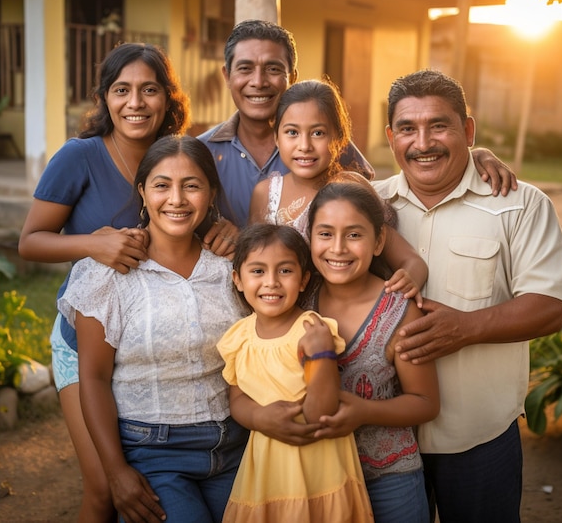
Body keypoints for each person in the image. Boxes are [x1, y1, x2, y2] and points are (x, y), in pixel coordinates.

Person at [17, 43, 237, 522]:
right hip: (86, 336)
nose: (135, 102)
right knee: (103, 485)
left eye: (149, 90)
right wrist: (92, 245)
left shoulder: (178, 159)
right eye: (122, 90)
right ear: (104, 98)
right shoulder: (81, 156)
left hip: (150, 328)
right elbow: (30, 242)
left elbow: (197, 223)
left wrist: (226, 230)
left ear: (167, 98)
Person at [371, 69, 562, 523]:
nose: (422, 142)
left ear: (468, 130)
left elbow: (549, 307)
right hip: (381, 438)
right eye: (408, 128)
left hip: (479, 439)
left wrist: (466, 328)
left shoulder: (520, 203)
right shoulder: (368, 206)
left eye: (440, 125)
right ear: (391, 136)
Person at [58, 135, 250, 523]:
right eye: (162, 185)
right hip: (152, 452)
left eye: (191, 185)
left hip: (235, 446)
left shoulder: (232, 269)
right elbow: (93, 379)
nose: (176, 199)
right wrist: (116, 473)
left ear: (211, 193)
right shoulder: (106, 274)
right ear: (142, 192)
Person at [198, 19, 516, 230]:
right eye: (245, 69)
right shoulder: (203, 153)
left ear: (291, 77)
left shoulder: (331, 146)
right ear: (227, 76)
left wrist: (467, 156)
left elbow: (374, 204)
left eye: (272, 69)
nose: (258, 81)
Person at [217, 223, 374, 522]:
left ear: (303, 280)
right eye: (258, 271)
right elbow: (236, 398)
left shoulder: (311, 331)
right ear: (238, 279)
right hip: (268, 471)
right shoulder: (238, 337)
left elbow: (321, 412)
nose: (272, 282)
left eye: (285, 271)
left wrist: (323, 354)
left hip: (321, 469)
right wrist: (259, 417)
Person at [304, 180, 439, 523]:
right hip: (315, 477)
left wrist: (363, 411)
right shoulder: (297, 301)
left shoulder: (400, 311)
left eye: (354, 235)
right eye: (325, 234)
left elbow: (426, 403)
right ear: (309, 238)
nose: (338, 248)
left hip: (389, 479)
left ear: (379, 241)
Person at [249, 77, 427, 301]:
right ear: (276, 137)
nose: (304, 146)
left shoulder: (348, 189)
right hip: (282, 316)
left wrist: (409, 277)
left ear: (340, 137)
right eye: (292, 132)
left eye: (318, 133)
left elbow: (411, 260)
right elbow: (253, 262)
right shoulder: (264, 193)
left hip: (343, 309)